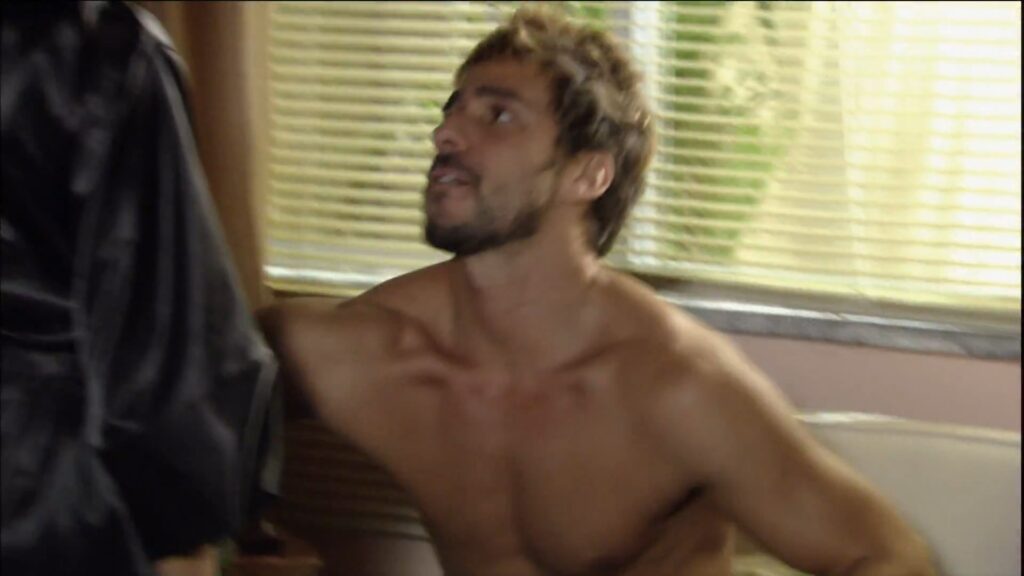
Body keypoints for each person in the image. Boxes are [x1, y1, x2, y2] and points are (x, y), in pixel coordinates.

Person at [259, 7, 937, 576]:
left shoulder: (677, 386)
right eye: (452, 110)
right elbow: (204, 396)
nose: (446, 133)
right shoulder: (361, 352)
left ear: (586, 176)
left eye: (498, 115)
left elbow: (891, 560)